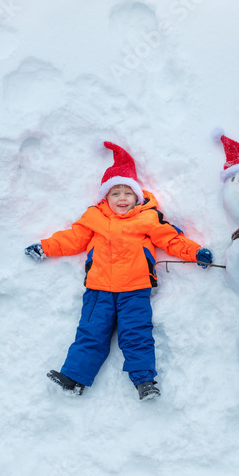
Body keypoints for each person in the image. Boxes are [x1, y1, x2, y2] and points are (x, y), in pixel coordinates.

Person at [24, 141, 213, 401]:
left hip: (135, 289)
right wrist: (45, 247)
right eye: (115, 193)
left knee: (136, 334)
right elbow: (73, 239)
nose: (122, 198)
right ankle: (75, 379)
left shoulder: (148, 217)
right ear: (105, 197)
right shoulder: (94, 217)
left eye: (127, 193)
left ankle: (145, 381)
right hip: (98, 289)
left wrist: (195, 252)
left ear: (137, 196)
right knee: (90, 332)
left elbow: (171, 239)